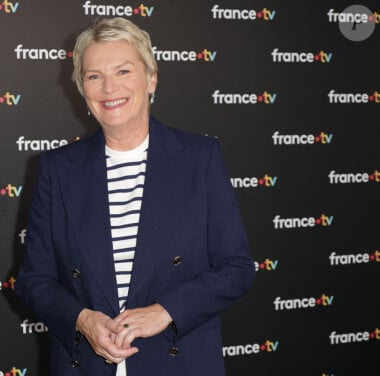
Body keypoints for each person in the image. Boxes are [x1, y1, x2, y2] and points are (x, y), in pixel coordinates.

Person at [16, 17, 255, 376]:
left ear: (151, 78)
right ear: (82, 89)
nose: (109, 88)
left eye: (123, 71)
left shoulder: (200, 157)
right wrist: (83, 320)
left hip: (180, 362)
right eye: (94, 76)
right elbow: (34, 280)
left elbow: (236, 269)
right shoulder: (57, 169)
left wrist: (165, 311)